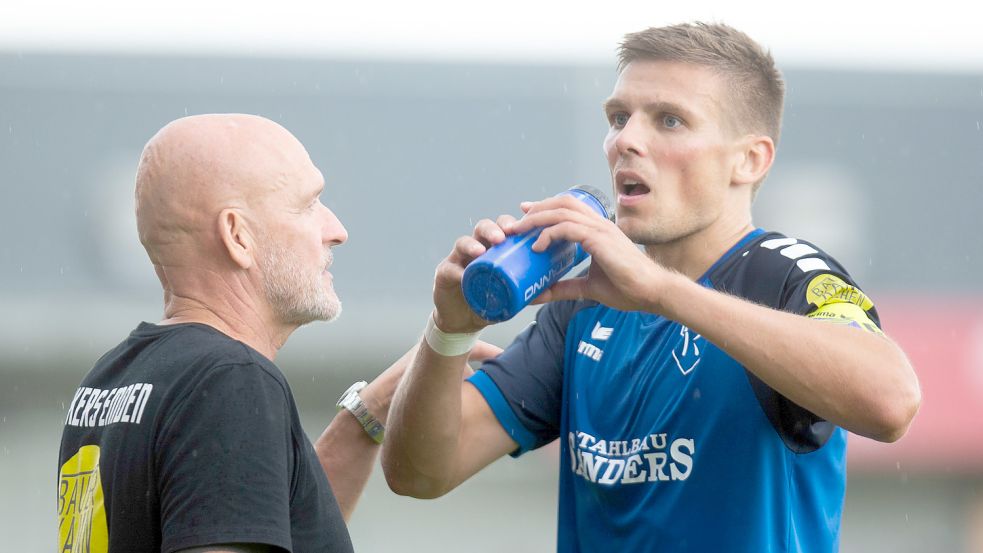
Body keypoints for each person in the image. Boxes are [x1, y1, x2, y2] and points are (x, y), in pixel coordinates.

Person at [382, 22, 922, 552]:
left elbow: (892, 401)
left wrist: (662, 292)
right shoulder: (586, 307)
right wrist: (450, 330)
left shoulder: (785, 273)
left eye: (669, 120)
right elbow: (420, 474)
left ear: (749, 159)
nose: (626, 141)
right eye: (619, 118)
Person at [56, 114, 496, 553]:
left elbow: (269, 519)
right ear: (237, 235)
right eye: (308, 205)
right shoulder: (230, 382)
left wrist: (372, 410)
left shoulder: (110, 380)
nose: (337, 231)